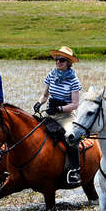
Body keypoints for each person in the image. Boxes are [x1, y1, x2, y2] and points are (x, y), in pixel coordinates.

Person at [33, 46, 83, 185]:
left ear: (68, 63)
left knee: (70, 138)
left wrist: (59, 109)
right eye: (56, 60)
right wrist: (39, 103)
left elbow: (75, 104)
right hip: (50, 113)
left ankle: (75, 170)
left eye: (61, 60)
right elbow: (45, 95)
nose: (58, 62)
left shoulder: (74, 80)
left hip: (66, 116)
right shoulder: (51, 75)